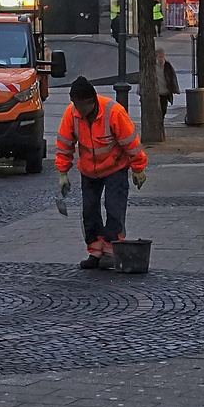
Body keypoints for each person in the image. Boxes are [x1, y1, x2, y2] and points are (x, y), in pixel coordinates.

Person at [55, 78, 148, 269]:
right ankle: (95, 252)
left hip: (115, 167)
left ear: (92, 101)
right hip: (89, 170)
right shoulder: (71, 114)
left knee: (114, 208)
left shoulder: (113, 112)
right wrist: (63, 172)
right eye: (75, 104)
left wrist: (138, 168)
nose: (78, 110)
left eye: (81, 105)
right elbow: (65, 144)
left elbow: (130, 142)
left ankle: (112, 251)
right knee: (90, 212)